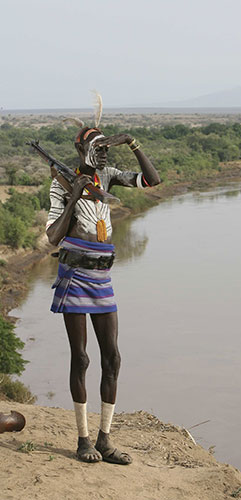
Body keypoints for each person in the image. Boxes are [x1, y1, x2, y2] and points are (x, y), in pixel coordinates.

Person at [46, 124, 160, 464]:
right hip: (74, 274)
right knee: (81, 358)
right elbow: (53, 236)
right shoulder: (61, 184)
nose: (104, 153)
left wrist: (132, 142)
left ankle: (105, 440)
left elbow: (152, 181)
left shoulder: (107, 177)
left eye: (107, 147)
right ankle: (83, 440)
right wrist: (75, 195)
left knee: (113, 358)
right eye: (98, 147)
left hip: (102, 276)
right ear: (82, 151)